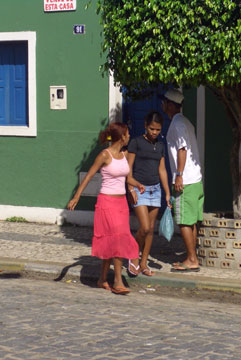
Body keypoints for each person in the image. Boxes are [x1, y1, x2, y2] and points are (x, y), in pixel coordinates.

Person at [67, 122, 143, 295]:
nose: (129, 136)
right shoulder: (104, 155)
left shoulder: (124, 154)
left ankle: (102, 279)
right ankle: (117, 281)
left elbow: (126, 178)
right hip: (107, 203)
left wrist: (137, 185)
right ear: (122, 136)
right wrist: (77, 196)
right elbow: (89, 175)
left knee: (113, 240)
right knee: (118, 239)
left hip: (121, 203)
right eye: (128, 134)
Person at [162, 88, 204, 272]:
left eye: (164, 102)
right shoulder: (186, 122)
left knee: (184, 221)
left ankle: (192, 260)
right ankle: (191, 256)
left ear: (170, 105)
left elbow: (182, 149)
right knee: (191, 220)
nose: (162, 105)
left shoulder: (177, 125)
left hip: (185, 180)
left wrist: (178, 175)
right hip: (195, 179)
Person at [126, 111, 171, 276]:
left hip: (155, 189)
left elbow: (162, 170)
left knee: (151, 229)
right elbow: (128, 169)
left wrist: (167, 193)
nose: (154, 132)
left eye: (158, 130)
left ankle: (143, 263)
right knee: (144, 227)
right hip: (139, 189)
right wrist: (131, 188)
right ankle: (133, 256)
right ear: (145, 125)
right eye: (152, 128)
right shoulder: (136, 143)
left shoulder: (160, 145)